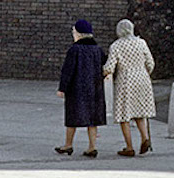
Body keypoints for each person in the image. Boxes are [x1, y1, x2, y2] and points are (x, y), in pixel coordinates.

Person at [103, 18, 155, 157]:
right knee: (139, 111)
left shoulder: (116, 46)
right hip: (142, 78)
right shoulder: (141, 42)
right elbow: (150, 62)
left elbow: (110, 67)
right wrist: (145, 73)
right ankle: (145, 138)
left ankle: (129, 146)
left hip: (125, 80)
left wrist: (102, 73)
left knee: (124, 115)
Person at [55, 19, 107, 158]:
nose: (73, 33)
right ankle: (92, 146)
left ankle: (68, 145)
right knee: (93, 119)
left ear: (78, 33)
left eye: (74, 31)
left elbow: (68, 70)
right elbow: (105, 64)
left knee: (72, 117)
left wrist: (62, 88)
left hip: (77, 89)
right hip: (95, 88)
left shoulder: (75, 50)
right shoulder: (98, 50)